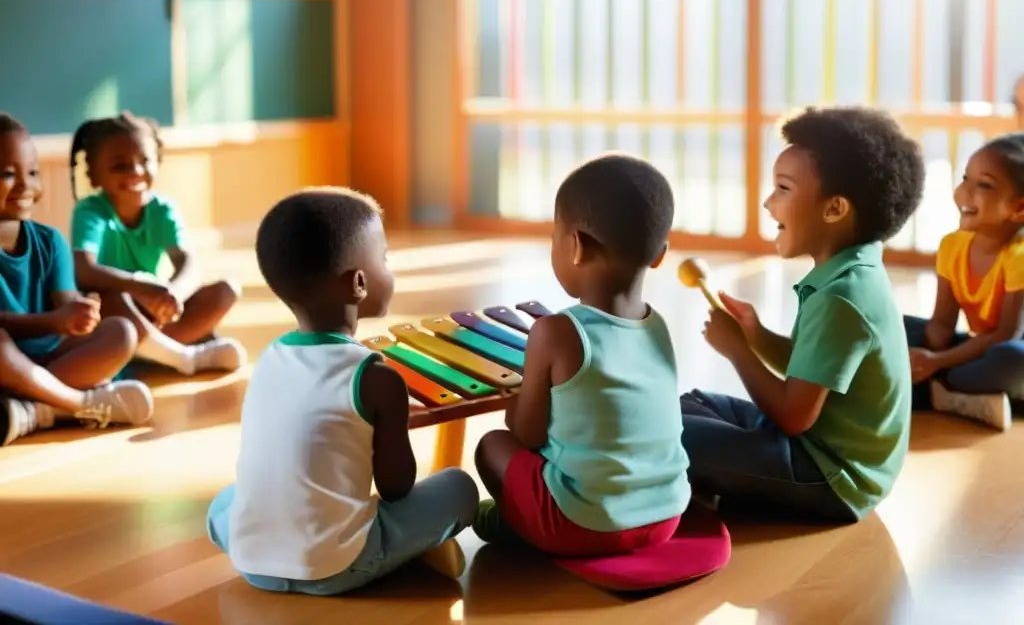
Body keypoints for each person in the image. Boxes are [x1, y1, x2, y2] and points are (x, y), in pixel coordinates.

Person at [206, 187, 479, 595]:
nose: (389, 268)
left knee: (224, 503)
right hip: (334, 570)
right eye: (384, 259)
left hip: (252, 563)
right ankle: (414, 549)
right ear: (358, 283)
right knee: (460, 488)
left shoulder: (269, 358)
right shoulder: (377, 378)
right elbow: (396, 488)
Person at [682, 107, 925, 523]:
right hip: (818, 450)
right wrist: (756, 334)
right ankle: (728, 489)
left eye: (783, 189)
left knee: (672, 434)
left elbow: (795, 416)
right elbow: (811, 370)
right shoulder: (852, 269)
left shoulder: (842, 297)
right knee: (691, 405)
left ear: (834, 209)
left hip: (833, 478)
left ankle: (724, 493)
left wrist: (738, 351)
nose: (767, 202)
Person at [473, 153, 691, 556]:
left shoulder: (555, 332)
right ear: (660, 254)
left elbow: (526, 436)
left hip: (582, 526)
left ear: (575, 246)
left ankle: (517, 521)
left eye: (554, 235)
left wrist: (517, 400)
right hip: (666, 516)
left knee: (491, 445)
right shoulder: (659, 326)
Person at [0, 113, 154, 446]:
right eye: (8, 174)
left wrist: (81, 315)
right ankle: (80, 405)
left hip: (54, 360)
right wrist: (54, 321)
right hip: (5, 365)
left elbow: (66, 305)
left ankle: (34, 409)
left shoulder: (49, 241)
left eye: (33, 172)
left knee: (121, 331)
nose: (26, 185)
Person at [68, 112, 245, 375]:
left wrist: (171, 295)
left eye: (144, 161)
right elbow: (84, 269)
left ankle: (150, 352)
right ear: (94, 175)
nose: (136, 171)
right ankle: (184, 358)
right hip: (117, 316)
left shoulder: (162, 209)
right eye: (120, 166)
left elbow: (188, 263)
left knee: (225, 291)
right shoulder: (90, 211)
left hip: (155, 312)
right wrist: (141, 288)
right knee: (110, 299)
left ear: (157, 163)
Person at [904, 134, 1024, 431]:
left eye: (983, 185)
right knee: (897, 328)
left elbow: (1006, 335)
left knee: (1012, 359)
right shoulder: (952, 247)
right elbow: (942, 324)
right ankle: (956, 392)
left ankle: (938, 389)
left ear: (1019, 208)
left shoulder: (1019, 256)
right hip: (976, 350)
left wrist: (938, 363)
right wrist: (924, 353)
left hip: (1010, 352)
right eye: (965, 178)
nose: (963, 191)